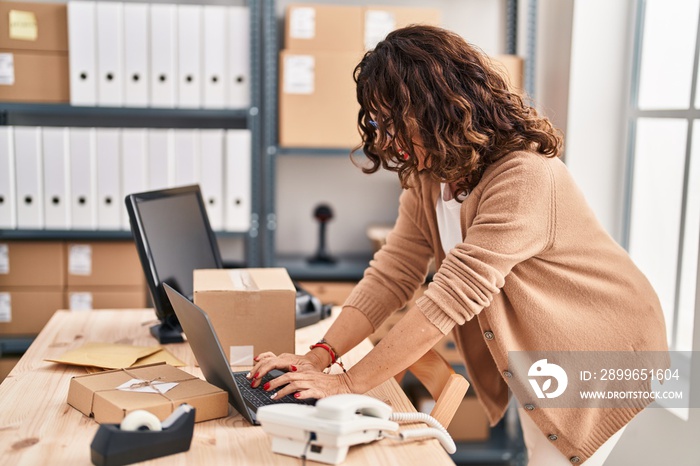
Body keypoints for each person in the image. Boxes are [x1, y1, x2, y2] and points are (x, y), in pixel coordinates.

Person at [249, 25, 668, 465]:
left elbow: (453, 295)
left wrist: (349, 383)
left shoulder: (525, 177)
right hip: (545, 352)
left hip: (602, 346)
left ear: (439, 107)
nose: (387, 140)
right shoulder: (431, 176)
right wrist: (320, 357)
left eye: (395, 122)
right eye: (378, 123)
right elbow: (394, 273)